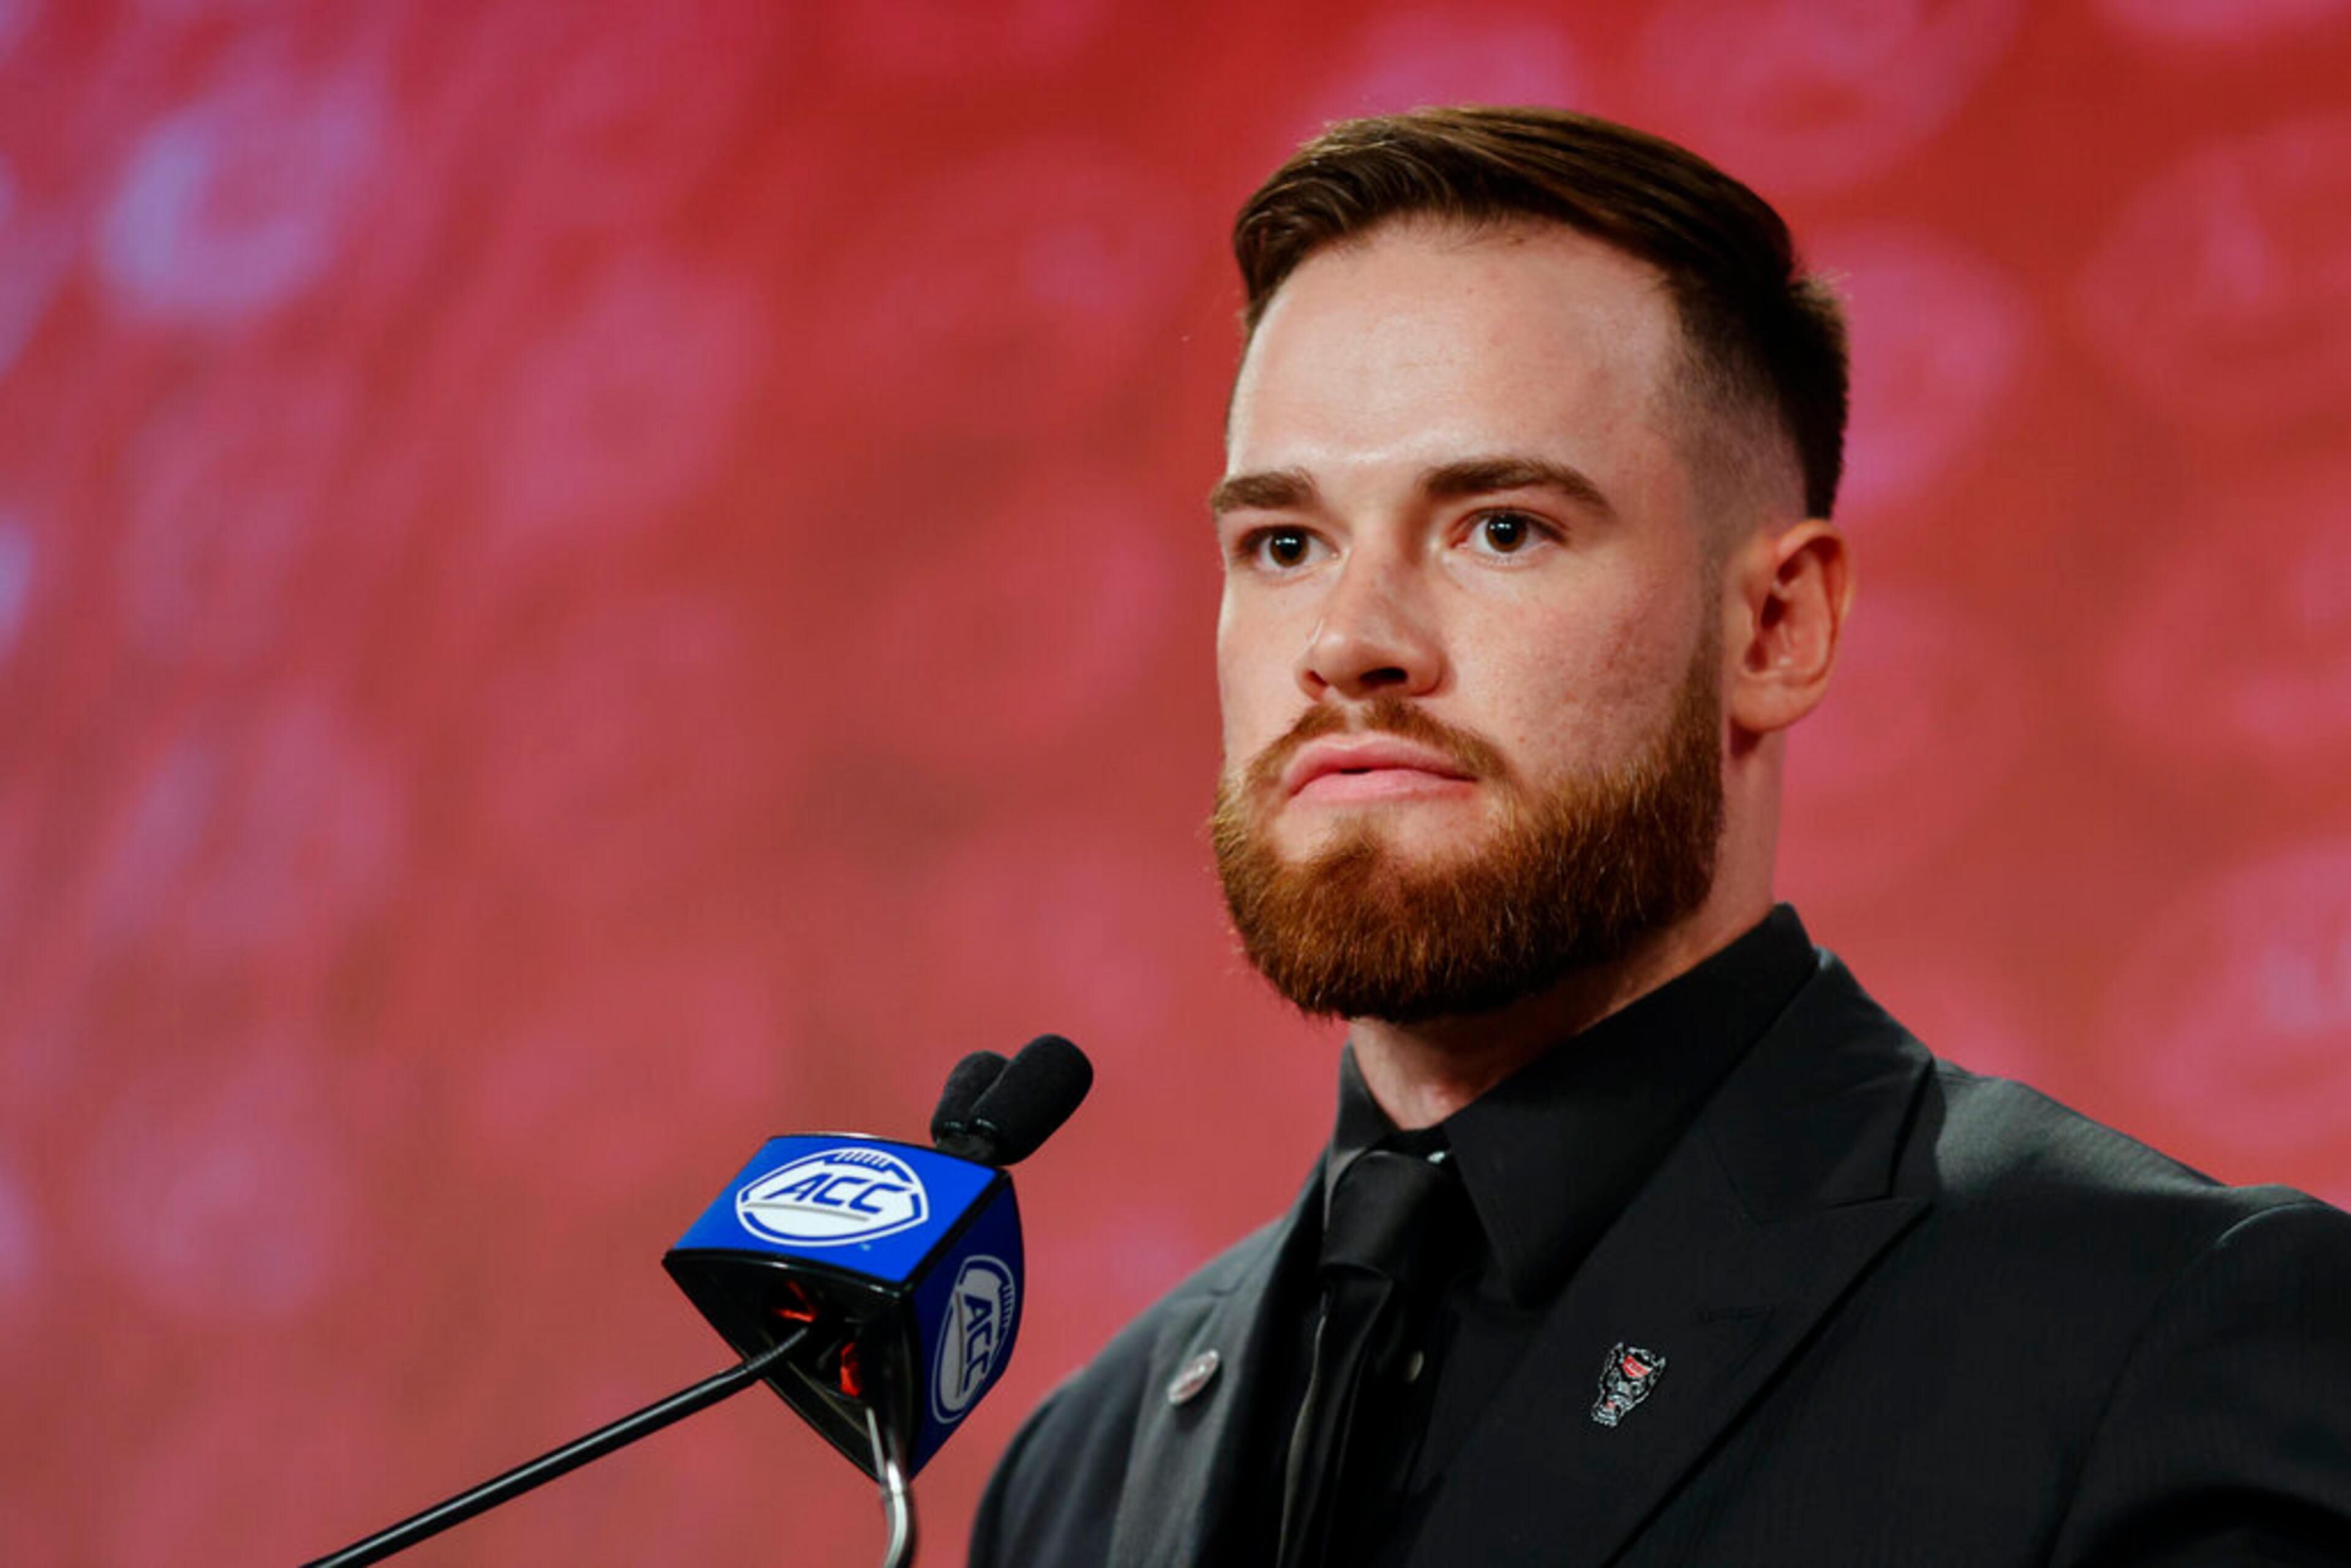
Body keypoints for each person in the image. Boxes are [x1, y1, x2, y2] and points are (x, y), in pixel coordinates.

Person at [970, 107, 2351, 1567]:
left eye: (1500, 528)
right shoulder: (1082, 1470)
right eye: (1285, 544)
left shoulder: (2170, 1330)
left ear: (1777, 625)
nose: (1348, 643)